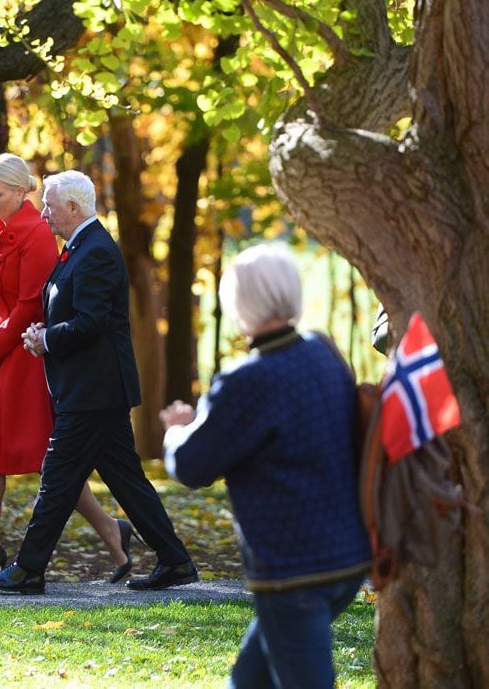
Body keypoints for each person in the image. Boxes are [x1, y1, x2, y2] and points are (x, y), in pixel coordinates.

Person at [0, 169, 197, 594]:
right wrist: (43, 333)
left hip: (94, 390)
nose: (43, 212)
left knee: (57, 477)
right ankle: (176, 560)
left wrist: (46, 340)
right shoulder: (78, 247)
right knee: (126, 480)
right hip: (94, 388)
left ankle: (27, 569)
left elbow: (92, 323)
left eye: (50, 206)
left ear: (73, 208)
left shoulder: (94, 250)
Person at [161, 244, 371, 688]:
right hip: (349, 556)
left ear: (239, 302)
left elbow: (192, 466)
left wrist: (177, 429)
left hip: (293, 570)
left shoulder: (245, 380)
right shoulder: (323, 352)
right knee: (249, 679)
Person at [0, 154, 132, 585]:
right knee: (38, 458)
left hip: (28, 357)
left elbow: (31, 306)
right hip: (4, 352)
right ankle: (109, 529)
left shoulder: (36, 234)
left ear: (19, 191)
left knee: (21, 454)